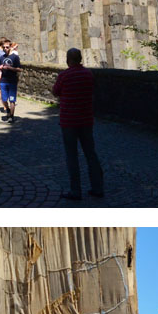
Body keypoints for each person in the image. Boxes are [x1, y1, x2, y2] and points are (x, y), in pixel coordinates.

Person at [52, 47, 104, 201]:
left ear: (69, 59)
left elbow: (55, 91)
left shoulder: (64, 75)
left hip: (69, 121)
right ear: (80, 59)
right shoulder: (88, 74)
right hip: (86, 120)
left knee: (72, 156)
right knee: (91, 154)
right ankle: (98, 187)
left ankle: (76, 191)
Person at [0, 41, 21, 123]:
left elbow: (19, 69)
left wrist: (10, 68)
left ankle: (11, 116)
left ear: (10, 47)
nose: (5, 49)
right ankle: (7, 110)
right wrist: (0, 67)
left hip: (12, 81)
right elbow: (0, 66)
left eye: (7, 47)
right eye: (4, 47)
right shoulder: (2, 57)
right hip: (3, 80)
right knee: (4, 99)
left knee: (12, 100)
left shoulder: (15, 57)